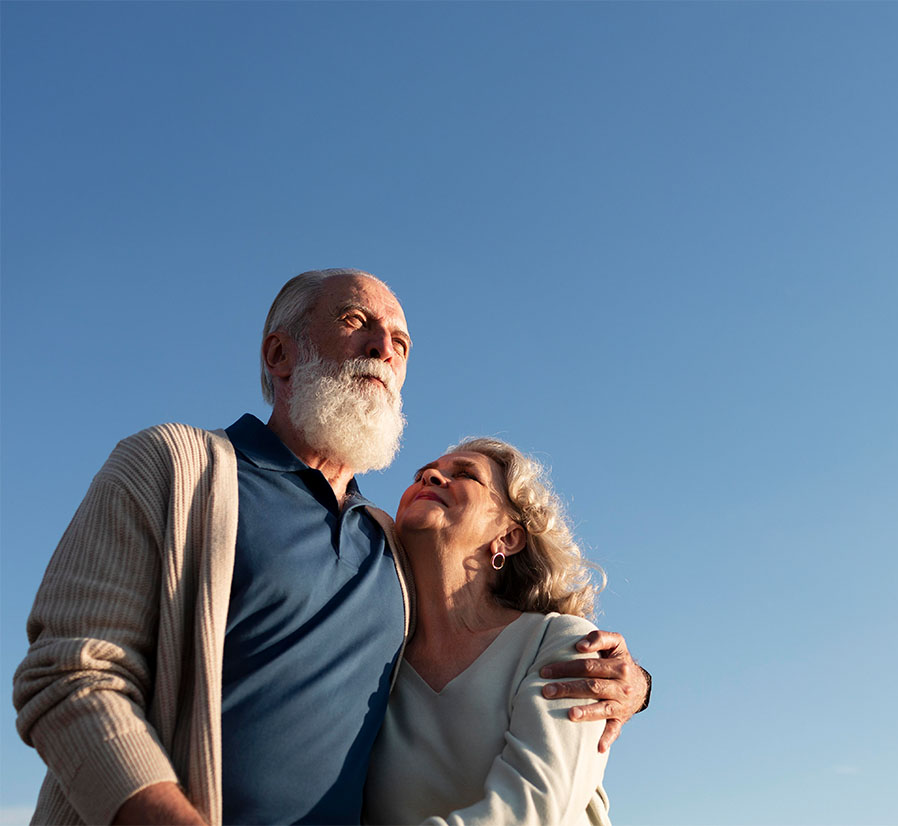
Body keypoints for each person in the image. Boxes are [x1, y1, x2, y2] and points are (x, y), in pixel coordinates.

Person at [13, 269, 649, 826]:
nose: (383, 348)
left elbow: (485, 643)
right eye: (356, 322)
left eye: (400, 343)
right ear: (280, 353)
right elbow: (72, 672)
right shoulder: (172, 469)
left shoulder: (391, 545)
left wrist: (634, 682)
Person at [365, 438, 612, 825]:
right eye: (422, 475)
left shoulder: (562, 642)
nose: (430, 475)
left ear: (508, 537)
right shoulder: (373, 666)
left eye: (465, 475)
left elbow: (534, 810)